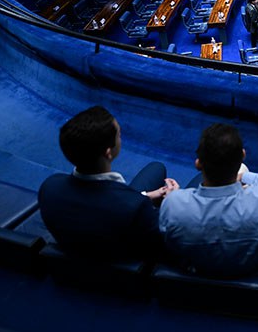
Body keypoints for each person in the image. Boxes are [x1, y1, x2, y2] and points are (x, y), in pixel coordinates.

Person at [159, 123, 258, 278]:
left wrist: (175, 198)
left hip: (197, 275)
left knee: (243, 169)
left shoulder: (173, 204)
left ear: (198, 163)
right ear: (243, 154)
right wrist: (244, 178)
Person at [38, 106, 179, 260]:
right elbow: (163, 243)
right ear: (108, 152)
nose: (121, 136)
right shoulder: (136, 207)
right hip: (120, 270)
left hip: (77, 258)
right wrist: (173, 202)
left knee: (156, 168)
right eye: (119, 134)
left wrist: (145, 196)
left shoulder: (49, 188)